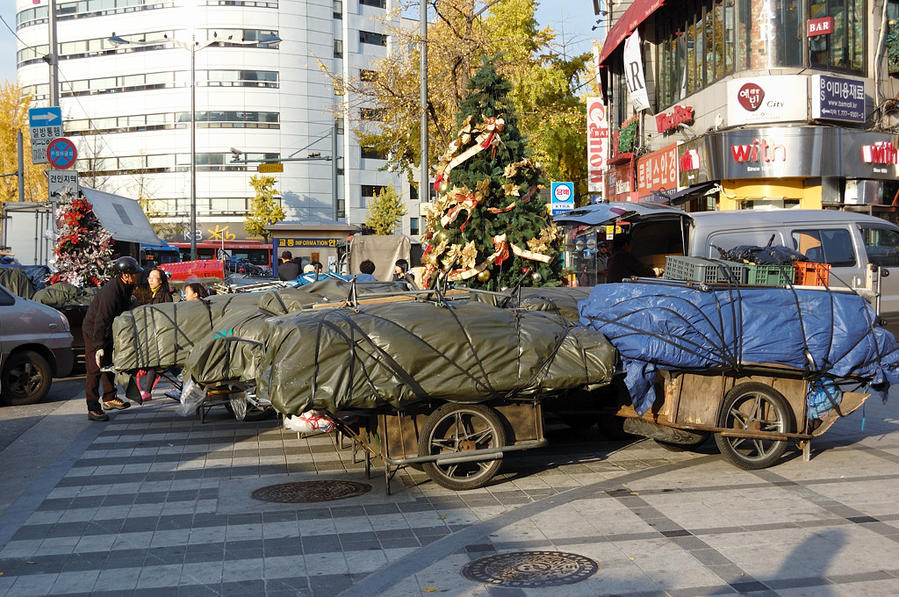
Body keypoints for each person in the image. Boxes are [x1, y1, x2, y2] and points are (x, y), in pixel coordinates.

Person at [83, 256, 142, 422]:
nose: (136, 276)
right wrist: (99, 345)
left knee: (109, 364)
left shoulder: (126, 286)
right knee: (95, 369)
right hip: (95, 331)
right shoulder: (112, 291)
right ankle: (93, 408)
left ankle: (109, 397)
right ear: (125, 275)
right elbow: (102, 318)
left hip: (108, 330)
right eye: (134, 273)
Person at [133, 268, 173, 401]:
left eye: (154, 277)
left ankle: (147, 391)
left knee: (154, 363)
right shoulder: (150, 294)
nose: (150, 280)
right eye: (149, 277)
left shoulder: (165, 295)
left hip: (161, 336)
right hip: (152, 335)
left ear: (161, 280)